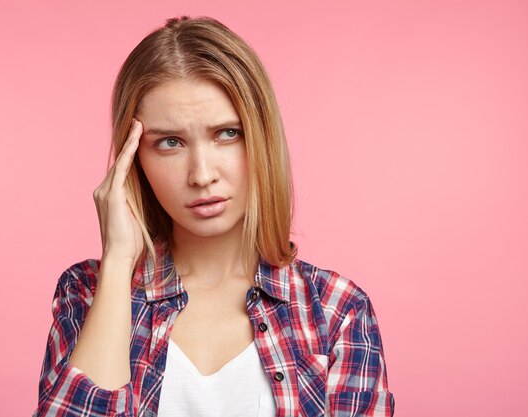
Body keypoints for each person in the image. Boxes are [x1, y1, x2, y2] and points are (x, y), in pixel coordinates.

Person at [34, 16, 395, 417]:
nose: (202, 174)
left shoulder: (336, 312)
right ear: (133, 159)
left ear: (260, 138)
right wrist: (118, 262)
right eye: (170, 142)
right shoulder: (86, 294)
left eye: (227, 133)